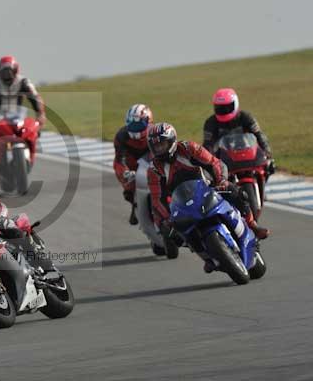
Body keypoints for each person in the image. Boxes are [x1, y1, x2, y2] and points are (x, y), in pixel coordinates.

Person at [146, 123, 270, 272]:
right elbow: (156, 199)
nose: (159, 149)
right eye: (156, 146)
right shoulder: (154, 169)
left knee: (237, 192)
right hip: (182, 204)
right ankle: (206, 256)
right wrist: (166, 218)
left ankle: (252, 225)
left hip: (209, 188)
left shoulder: (188, 148)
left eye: (162, 144)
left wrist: (221, 180)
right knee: (173, 234)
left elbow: (214, 163)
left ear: (172, 140)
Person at [0, 56, 46, 161]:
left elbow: (35, 97)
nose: (7, 74)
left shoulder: (24, 82)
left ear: (15, 70)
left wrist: (41, 113)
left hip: (18, 116)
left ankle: (30, 154)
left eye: (9, 71)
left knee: (34, 131)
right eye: (4, 71)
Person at [203, 88, 275, 174]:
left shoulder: (246, 117)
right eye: (220, 108)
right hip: (224, 161)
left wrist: (267, 153)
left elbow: (259, 135)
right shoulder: (211, 123)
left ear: (235, 104)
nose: (224, 110)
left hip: (248, 155)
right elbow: (208, 145)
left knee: (266, 169)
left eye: (227, 107)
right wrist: (208, 162)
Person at [113, 104, 154, 225]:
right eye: (132, 124)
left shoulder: (155, 132)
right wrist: (125, 173)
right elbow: (119, 160)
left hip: (152, 159)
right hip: (132, 164)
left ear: (149, 121)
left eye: (139, 124)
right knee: (129, 189)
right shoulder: (121, 136)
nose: (135, 127)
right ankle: (135, 203)